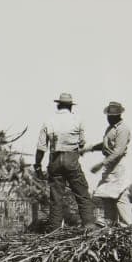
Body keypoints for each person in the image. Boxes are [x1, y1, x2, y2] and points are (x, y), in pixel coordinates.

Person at [32, 91, 98, 229]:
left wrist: (37, 166)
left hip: (54, 159)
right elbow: (81, 143)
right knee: (82, 193)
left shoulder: (48, 121)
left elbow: (41, 148)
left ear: (58, 106)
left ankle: (54, 229)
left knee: (56, 198)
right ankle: (89, 226)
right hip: (71, 158)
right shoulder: (77, 120)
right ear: (70, 106)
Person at [88, 101, 132, 225]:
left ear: (118, 115)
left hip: (118, 165)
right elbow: (106, 144)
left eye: (111, 116)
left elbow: (118, 151)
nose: (109, 118)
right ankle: (110, 222)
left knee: (120, 195)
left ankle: (128, 225)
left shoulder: (123, 129)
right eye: (108, 116)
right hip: (110, 165)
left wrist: (101, 164)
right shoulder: (110, 128)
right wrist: (90, 148)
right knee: (106, 194)